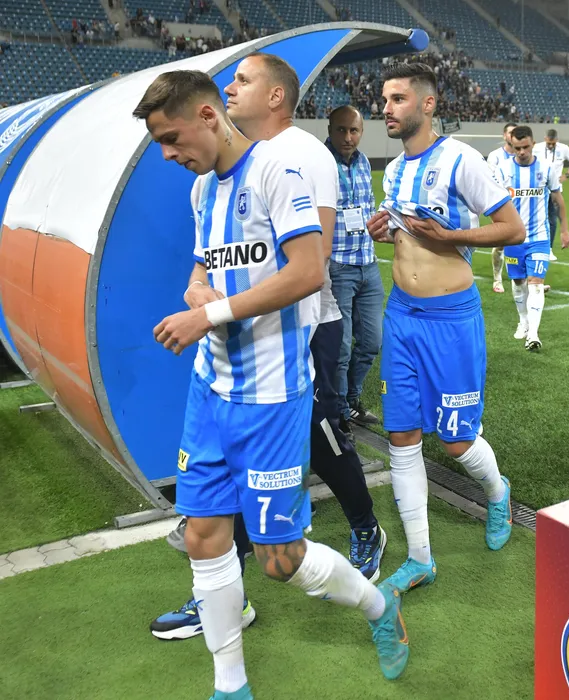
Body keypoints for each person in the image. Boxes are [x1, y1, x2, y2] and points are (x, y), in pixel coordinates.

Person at [135, 70, 409, 698]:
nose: (169, 154)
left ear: (208, 116)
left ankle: (379, 606)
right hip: (210, 389)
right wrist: (198, 294)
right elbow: (202, 268)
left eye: (172, 138)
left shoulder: (275, 174)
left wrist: (210, 313)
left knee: (279, 560)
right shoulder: (202, 190)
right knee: (204, 536)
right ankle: (230, 686)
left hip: (272, 395)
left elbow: (309, 271)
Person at [366, 62, 525, 593]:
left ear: (427, 104)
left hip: (450, 320)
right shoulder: (393, 170)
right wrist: (386, 232)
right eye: (384, 100)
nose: (386, 109)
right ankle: (420, 559)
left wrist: (451, 235)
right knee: (402, 435)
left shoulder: (461, 159)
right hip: (401, 316)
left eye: (397, 99)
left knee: (457, 441)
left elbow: (512, 228)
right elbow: (407, 235)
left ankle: (497, 492)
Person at [325, 105, 383, 432]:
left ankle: (352, 399)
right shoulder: (320, 163)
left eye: (354, 130)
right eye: (341, 130)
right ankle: (339, 412)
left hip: (368, 263)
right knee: (341, 347)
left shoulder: (363, 162)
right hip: (338, 266)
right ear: (330, 130)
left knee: (372, 341)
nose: (348, 137)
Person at [492, 125, 569, 351]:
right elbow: (495, 203)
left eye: (526, 147)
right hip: (514, 238)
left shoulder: (546, 168)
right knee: (518, 283)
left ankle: (533, 335)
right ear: (512, 145)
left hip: (539, 237)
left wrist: (564, 230)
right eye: (517, 148)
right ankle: (523, 321)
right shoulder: (503, 170)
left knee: (536, 285)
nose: (522, 152)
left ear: (533, 144)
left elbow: (558, 199)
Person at [532, 129, 569, 261]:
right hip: (539, 189)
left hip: (555, 189)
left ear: (557, 140)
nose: (551, 145)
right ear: (545, 139)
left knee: (552, 219)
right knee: (538, 218)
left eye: (553, 143)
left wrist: (567, 175)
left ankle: (549, 249)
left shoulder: (563, 149)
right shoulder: (536, 148)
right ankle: (534, 246)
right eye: (549, 143)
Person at [487, 122, 517, 294]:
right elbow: (490, 180)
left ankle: (531, 281)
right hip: (502, 204)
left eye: (515, 132)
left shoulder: (523, 154)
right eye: (510, 133)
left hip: (522, 203)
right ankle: (497, 279)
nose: (512, 136)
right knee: (500, 244)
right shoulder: (495, 156)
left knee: (525, 242)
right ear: (504, 135)